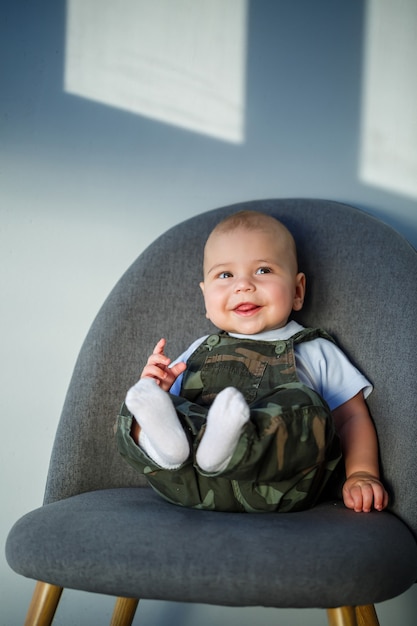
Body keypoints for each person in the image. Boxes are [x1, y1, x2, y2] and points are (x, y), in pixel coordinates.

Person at [116, 210, 389, 514]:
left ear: (297, 291)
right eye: (225, 275)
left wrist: (362, 473)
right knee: (137, 406)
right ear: (206, 298)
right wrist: (159, 388)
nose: (243, 285)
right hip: (188, 483)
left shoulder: (315, 349)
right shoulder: (196, 350)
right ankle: (167, 451)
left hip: (279, 488)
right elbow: (166, 407)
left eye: (262, 270)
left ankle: (230, 448)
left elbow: (351, 418)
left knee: (303, 405)